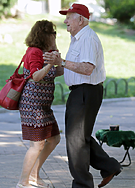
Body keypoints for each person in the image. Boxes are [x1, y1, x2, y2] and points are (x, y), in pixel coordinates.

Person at [43, 3, 122, 188]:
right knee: (78, 136)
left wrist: (61, 61)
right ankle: (109, 166)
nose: (65, 21)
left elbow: (87, 69)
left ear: (81, 19)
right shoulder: (78, 38)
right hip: (81, 91)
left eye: (69, 17)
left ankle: (82, 184)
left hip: (86, 90)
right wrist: (52, 66)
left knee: (76, 140)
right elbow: (73, 67)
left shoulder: (87, 38)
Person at [16, 20, 63, 188]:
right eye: (53, 34)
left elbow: (59, 70)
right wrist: (51, 62)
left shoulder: (47, 51)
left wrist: (56, 54)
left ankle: (34, 175)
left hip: (44, 106)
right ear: (44, 35)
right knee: (37, 144)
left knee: (54, 138)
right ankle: (23, 181)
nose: (55, 36)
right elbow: (36, 76)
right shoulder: (35, 52)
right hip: (32, 104)